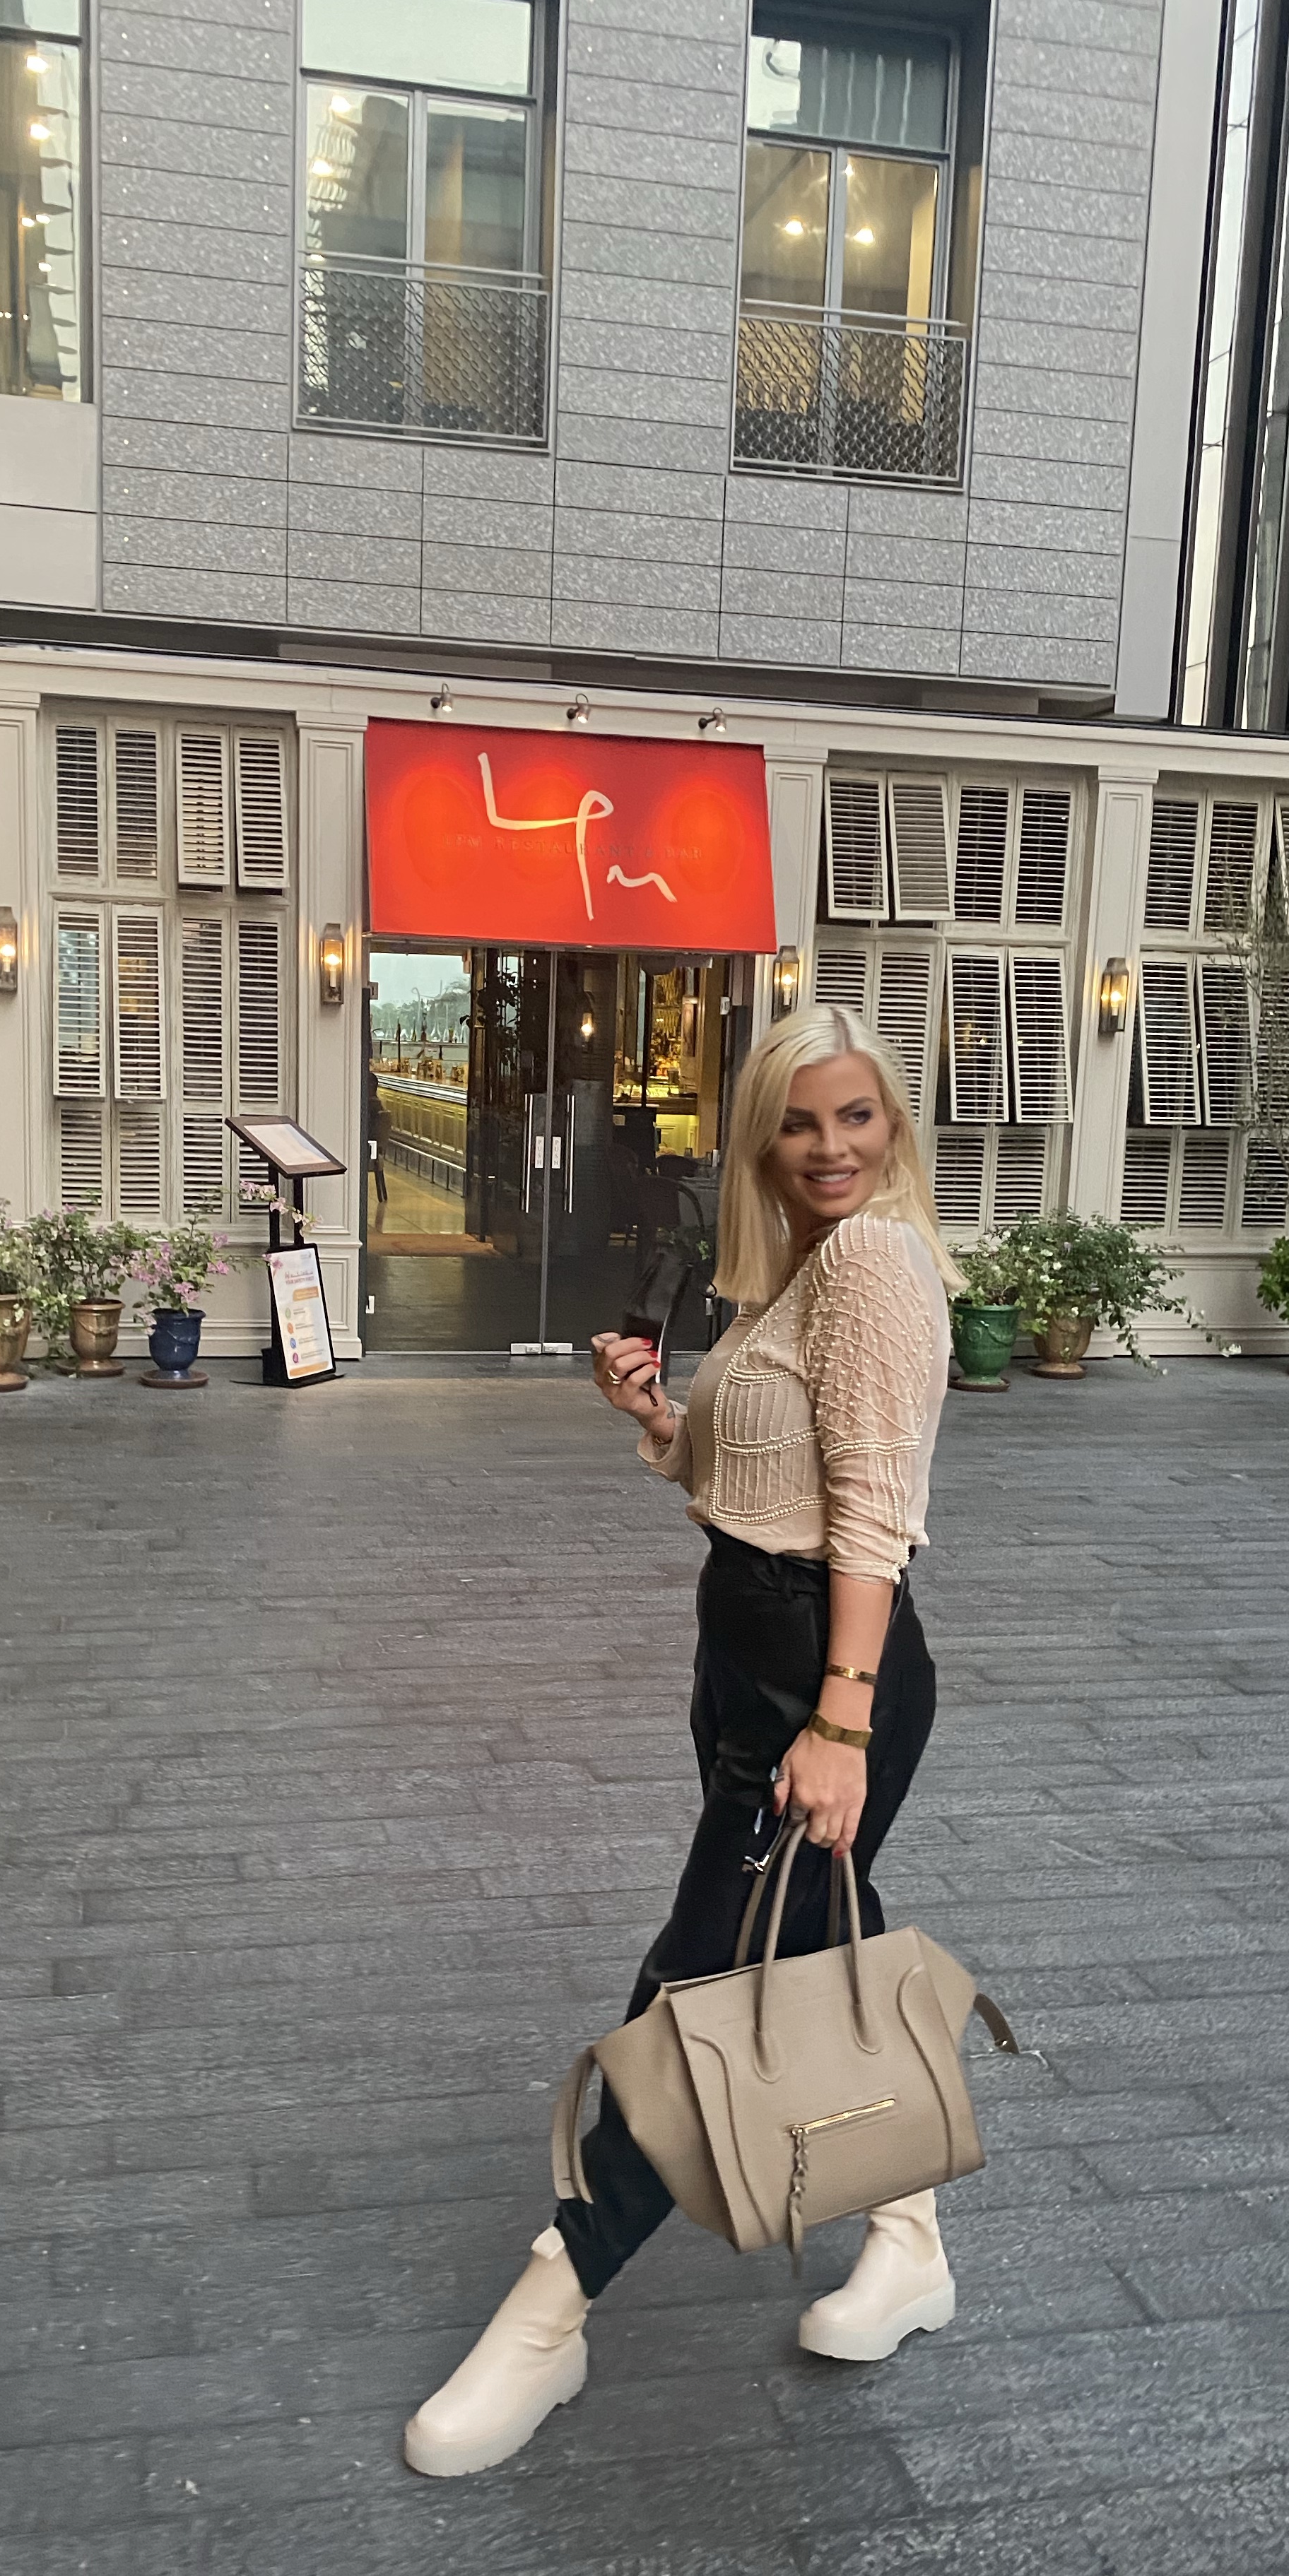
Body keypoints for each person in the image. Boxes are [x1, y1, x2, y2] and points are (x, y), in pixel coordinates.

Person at [405, 1002, 963, 2478]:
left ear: (893, 1124)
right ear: (759, 1142)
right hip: (751, 1662)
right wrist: (661, 1421)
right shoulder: (800, 1271)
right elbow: (767, 1481)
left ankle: (551, 2314)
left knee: (695, 1987)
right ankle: (910, 2236)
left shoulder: (876, 1265)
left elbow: (874, 1518)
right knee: (817, 1937)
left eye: (857, 1116)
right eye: (799, 1122)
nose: (831, 1147)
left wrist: (839, 1723)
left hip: (822, 1677)